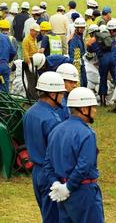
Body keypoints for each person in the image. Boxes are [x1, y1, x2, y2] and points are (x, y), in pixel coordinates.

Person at [44, 87, 104, 223]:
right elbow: (84, 166)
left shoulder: (56, 130)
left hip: (62, 193)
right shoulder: (87, 133)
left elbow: (47, 163)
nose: (95, 111)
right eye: (93, 107)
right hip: (83, 192)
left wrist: (56, 183)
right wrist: (69, 187)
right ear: (84, 110)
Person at [23, 71, 66, 223]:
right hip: (50, 173)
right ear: (52, 93)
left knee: (46, 214)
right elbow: (58, 152)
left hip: (36, 171)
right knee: (53, 218)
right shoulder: (52, 118)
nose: (62, 96)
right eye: (61, 93)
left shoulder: (29, 113)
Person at [86, 24, 114, 106]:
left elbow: (89, 53)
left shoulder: (92, 40)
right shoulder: (106, 35)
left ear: (91, 33)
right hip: (112, 58)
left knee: (103, 80)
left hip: (103, 60)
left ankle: (103, 101)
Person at [22, 22, 40, 100]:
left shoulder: (34, 39)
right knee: (31, 81)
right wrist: (29, 63)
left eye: (37, 32)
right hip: (28, 62)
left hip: (34, 61)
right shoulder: (26, 40)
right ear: (31, 30)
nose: (37, 33)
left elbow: (35, 50)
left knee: (34, 80)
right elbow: (25, 53)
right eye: (35, 31)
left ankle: (29, 98)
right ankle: (33, 99)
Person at [68, 17, 87, 87]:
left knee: (84, 81)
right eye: (81, 28)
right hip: (76, 63)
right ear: (76, 28)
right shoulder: (74, 39)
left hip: (80, 61)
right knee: (80, 82)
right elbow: (73, 53)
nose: (82, 29)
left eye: (83, 28)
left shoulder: (79, 37)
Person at [0, 27, 16, 91]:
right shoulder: (5, 37)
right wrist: (7, 61)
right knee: (5, 91)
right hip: (4, 66)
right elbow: (13, 52)